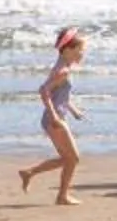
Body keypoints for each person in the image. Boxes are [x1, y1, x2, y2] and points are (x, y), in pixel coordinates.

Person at [20, 26, 86, 205]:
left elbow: (60, 94)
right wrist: (55, 116)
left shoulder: (63, 67)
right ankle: (62, 196)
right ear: (67, 50)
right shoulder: (62, 71)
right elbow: (44, 91)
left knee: (67, 158)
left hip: (55, 117)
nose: (82, 54)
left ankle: (30, 172)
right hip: (54, 119)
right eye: (80, 50)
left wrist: (73, 110)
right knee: (73, 158)